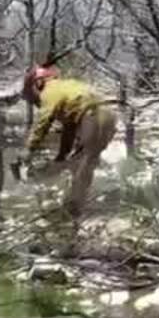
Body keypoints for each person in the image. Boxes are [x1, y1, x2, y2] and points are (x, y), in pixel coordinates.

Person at [23, 65, 117, 217]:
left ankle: (74, 208)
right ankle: (75, 201)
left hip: (93, 115)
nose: (37, 100)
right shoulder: (67, 88)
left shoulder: (50, 90)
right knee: (82, 160)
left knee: (84, 162)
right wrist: (62, 156)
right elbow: (69, 129)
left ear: (38, 82)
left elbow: (43, 121)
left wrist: (29, 148)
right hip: (108, 115)